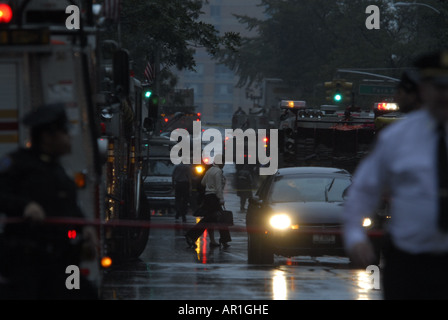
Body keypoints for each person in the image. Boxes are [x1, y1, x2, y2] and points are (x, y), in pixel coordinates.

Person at [343, 50, 448, 299]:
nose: (444, 95)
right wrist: (356, 237)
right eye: (438, 87)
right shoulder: (396, 138)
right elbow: (362, 192)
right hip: (408, 265)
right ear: (423, 89)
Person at [0, 103, 98, 300]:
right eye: (64, 132)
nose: (69, 138)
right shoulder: (16, 163)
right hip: (29, 264)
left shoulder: (58, 170)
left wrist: (85, 226)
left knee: (85, 294)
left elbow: (69, 206)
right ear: (47, 137)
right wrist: (25, 206)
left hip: (65, 264)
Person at [185, 154, 231, 249]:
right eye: (223, 162)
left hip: (208, 197)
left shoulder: (210, 170)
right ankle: (224, 239)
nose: (224, 164)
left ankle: (192, 236)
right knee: (218, 219)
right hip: (214, 198)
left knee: (211, 219)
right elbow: (218, 187)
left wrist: (209, 187)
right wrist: (221, 199)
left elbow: (203, 182)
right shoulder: (218, 171)